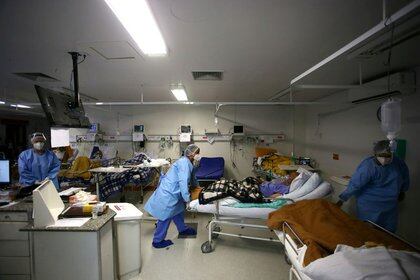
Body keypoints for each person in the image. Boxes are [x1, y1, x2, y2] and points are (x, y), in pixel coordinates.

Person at [337, 140, 409, 232]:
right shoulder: (368, 166)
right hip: (369, 206)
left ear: (392, 153)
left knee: (388, 234)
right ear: (375, 154)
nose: (384, 160)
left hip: (390, 206)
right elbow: (355, 184)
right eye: (381, 156)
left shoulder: (398, 163)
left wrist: (403, 191)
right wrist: (342, 199)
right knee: (368, 232)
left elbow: (405, 178)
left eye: (387, 156)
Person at [145, 144, 201, 248]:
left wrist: (198, 189)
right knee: (165, 216)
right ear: (192, 154)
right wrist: (188, 199)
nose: (199, 155)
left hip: (176, 192)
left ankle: (182, 229)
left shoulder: (189, 163)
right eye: (197, 153)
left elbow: (193, 178)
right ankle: (157, 241)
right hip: (169, 193)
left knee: (178, 210)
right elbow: (183, 182)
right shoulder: (184, 163)